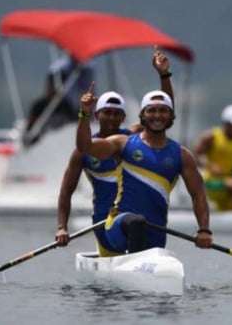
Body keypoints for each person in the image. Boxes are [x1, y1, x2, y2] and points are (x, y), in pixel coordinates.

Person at [55, 48, 176, 256]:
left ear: (124, 117)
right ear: (96, 115)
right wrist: (62, 227)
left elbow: (163, 112)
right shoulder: (83, 150)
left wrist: (163, 75)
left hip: (135, 220)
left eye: (117, 114)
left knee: (137, 224)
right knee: (131, 228)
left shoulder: (129, 139)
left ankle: (138, 267)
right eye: (107, 113)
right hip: (104, 222)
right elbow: (66, 192)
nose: (111, 118)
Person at [73, 87, 213, 255]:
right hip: (118, 225)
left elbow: (198, 195)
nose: (157, 115)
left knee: (143, 230)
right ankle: (134, 265)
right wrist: (84, 114)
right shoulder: (122, 144)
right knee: (136, 222)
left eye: (163, 110)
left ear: (171, 116)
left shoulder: (182, 155)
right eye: (151, 110)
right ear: (142, 116)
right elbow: (84, 146)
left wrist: (204, 230)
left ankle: (137, 266)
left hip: (156, 232)